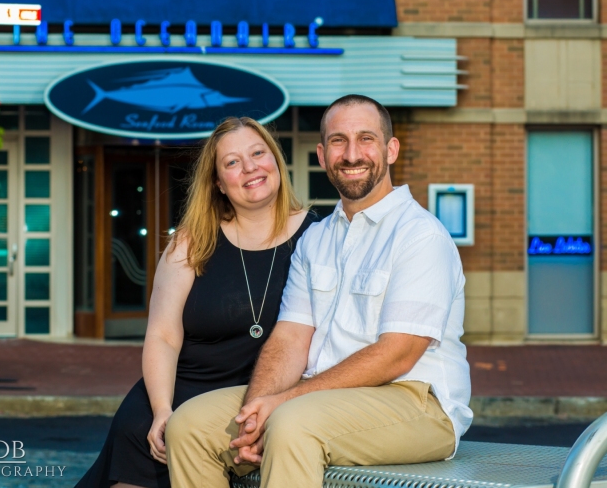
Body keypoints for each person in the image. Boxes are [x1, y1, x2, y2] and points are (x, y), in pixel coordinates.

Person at [165, 95, 473, 488]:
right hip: (320, 397)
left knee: (292, 424)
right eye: (338, 141)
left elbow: (397, 353)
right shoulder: (317, 238)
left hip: (416, 402)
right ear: (322, 155)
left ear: (390, 149)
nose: (351, 154)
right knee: (190, 425)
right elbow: (291, 337)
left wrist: (286, 402)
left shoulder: (420, 235)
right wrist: (256, 410)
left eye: (366, 139)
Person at [74, 116, 315, 488]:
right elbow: (163, 336)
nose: (250, 167)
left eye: (257, 153)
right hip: (178, 394)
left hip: (259, 396)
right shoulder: (191, 242)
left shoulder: (320, 235)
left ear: (276, 160)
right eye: (232, 162)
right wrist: (161, 411)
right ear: (218, 182)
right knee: (136, 445)